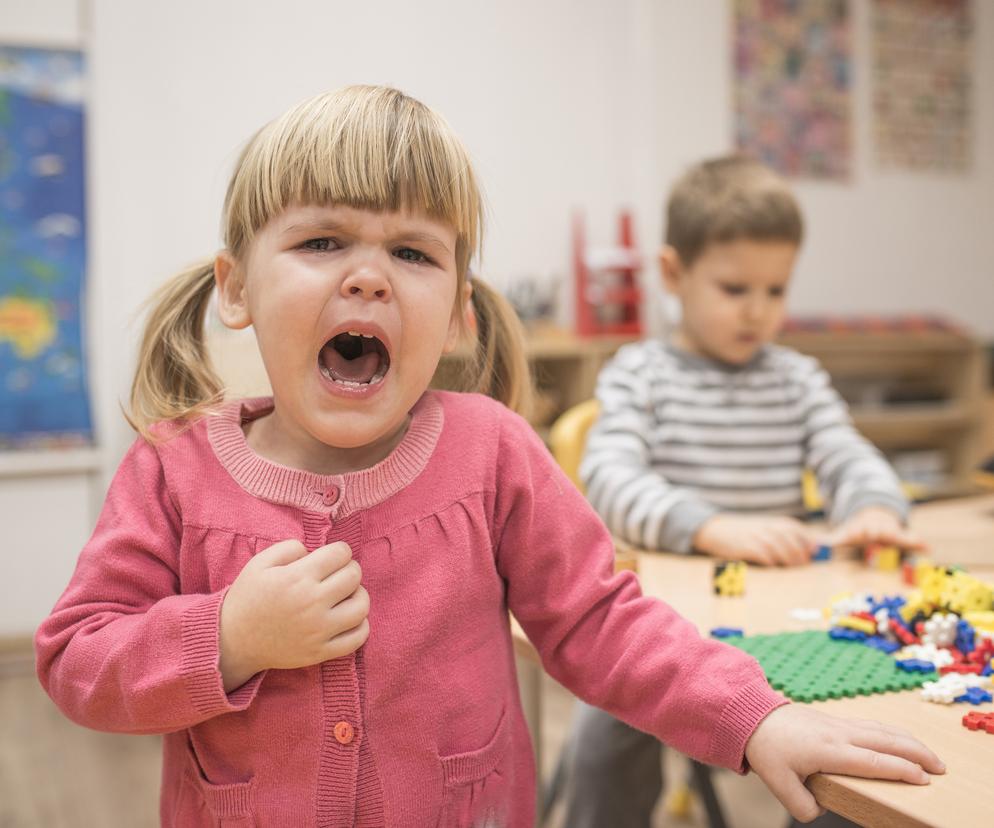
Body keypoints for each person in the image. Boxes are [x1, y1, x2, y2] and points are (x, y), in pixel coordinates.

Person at [35, 91, 941, 828]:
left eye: (412, 252)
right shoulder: (171, 472)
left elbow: (600, 621)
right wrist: (227, 639)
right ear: (236, 288)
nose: (367, 275)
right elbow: (78, 660)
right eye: (321, 242)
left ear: (459, 311)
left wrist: (757, 717)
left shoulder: (493, 452)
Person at [563, 154, 927, 827]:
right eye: (735, 289)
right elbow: (608, 479)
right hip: (663, 625)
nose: (758, 311)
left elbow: (847, 455)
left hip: (783, 615)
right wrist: (710, 526)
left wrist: (874, 507)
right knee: (604, 737)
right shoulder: (639, 372)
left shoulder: (796, 377)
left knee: (855, 744)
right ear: (674, 273)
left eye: (776, 290)